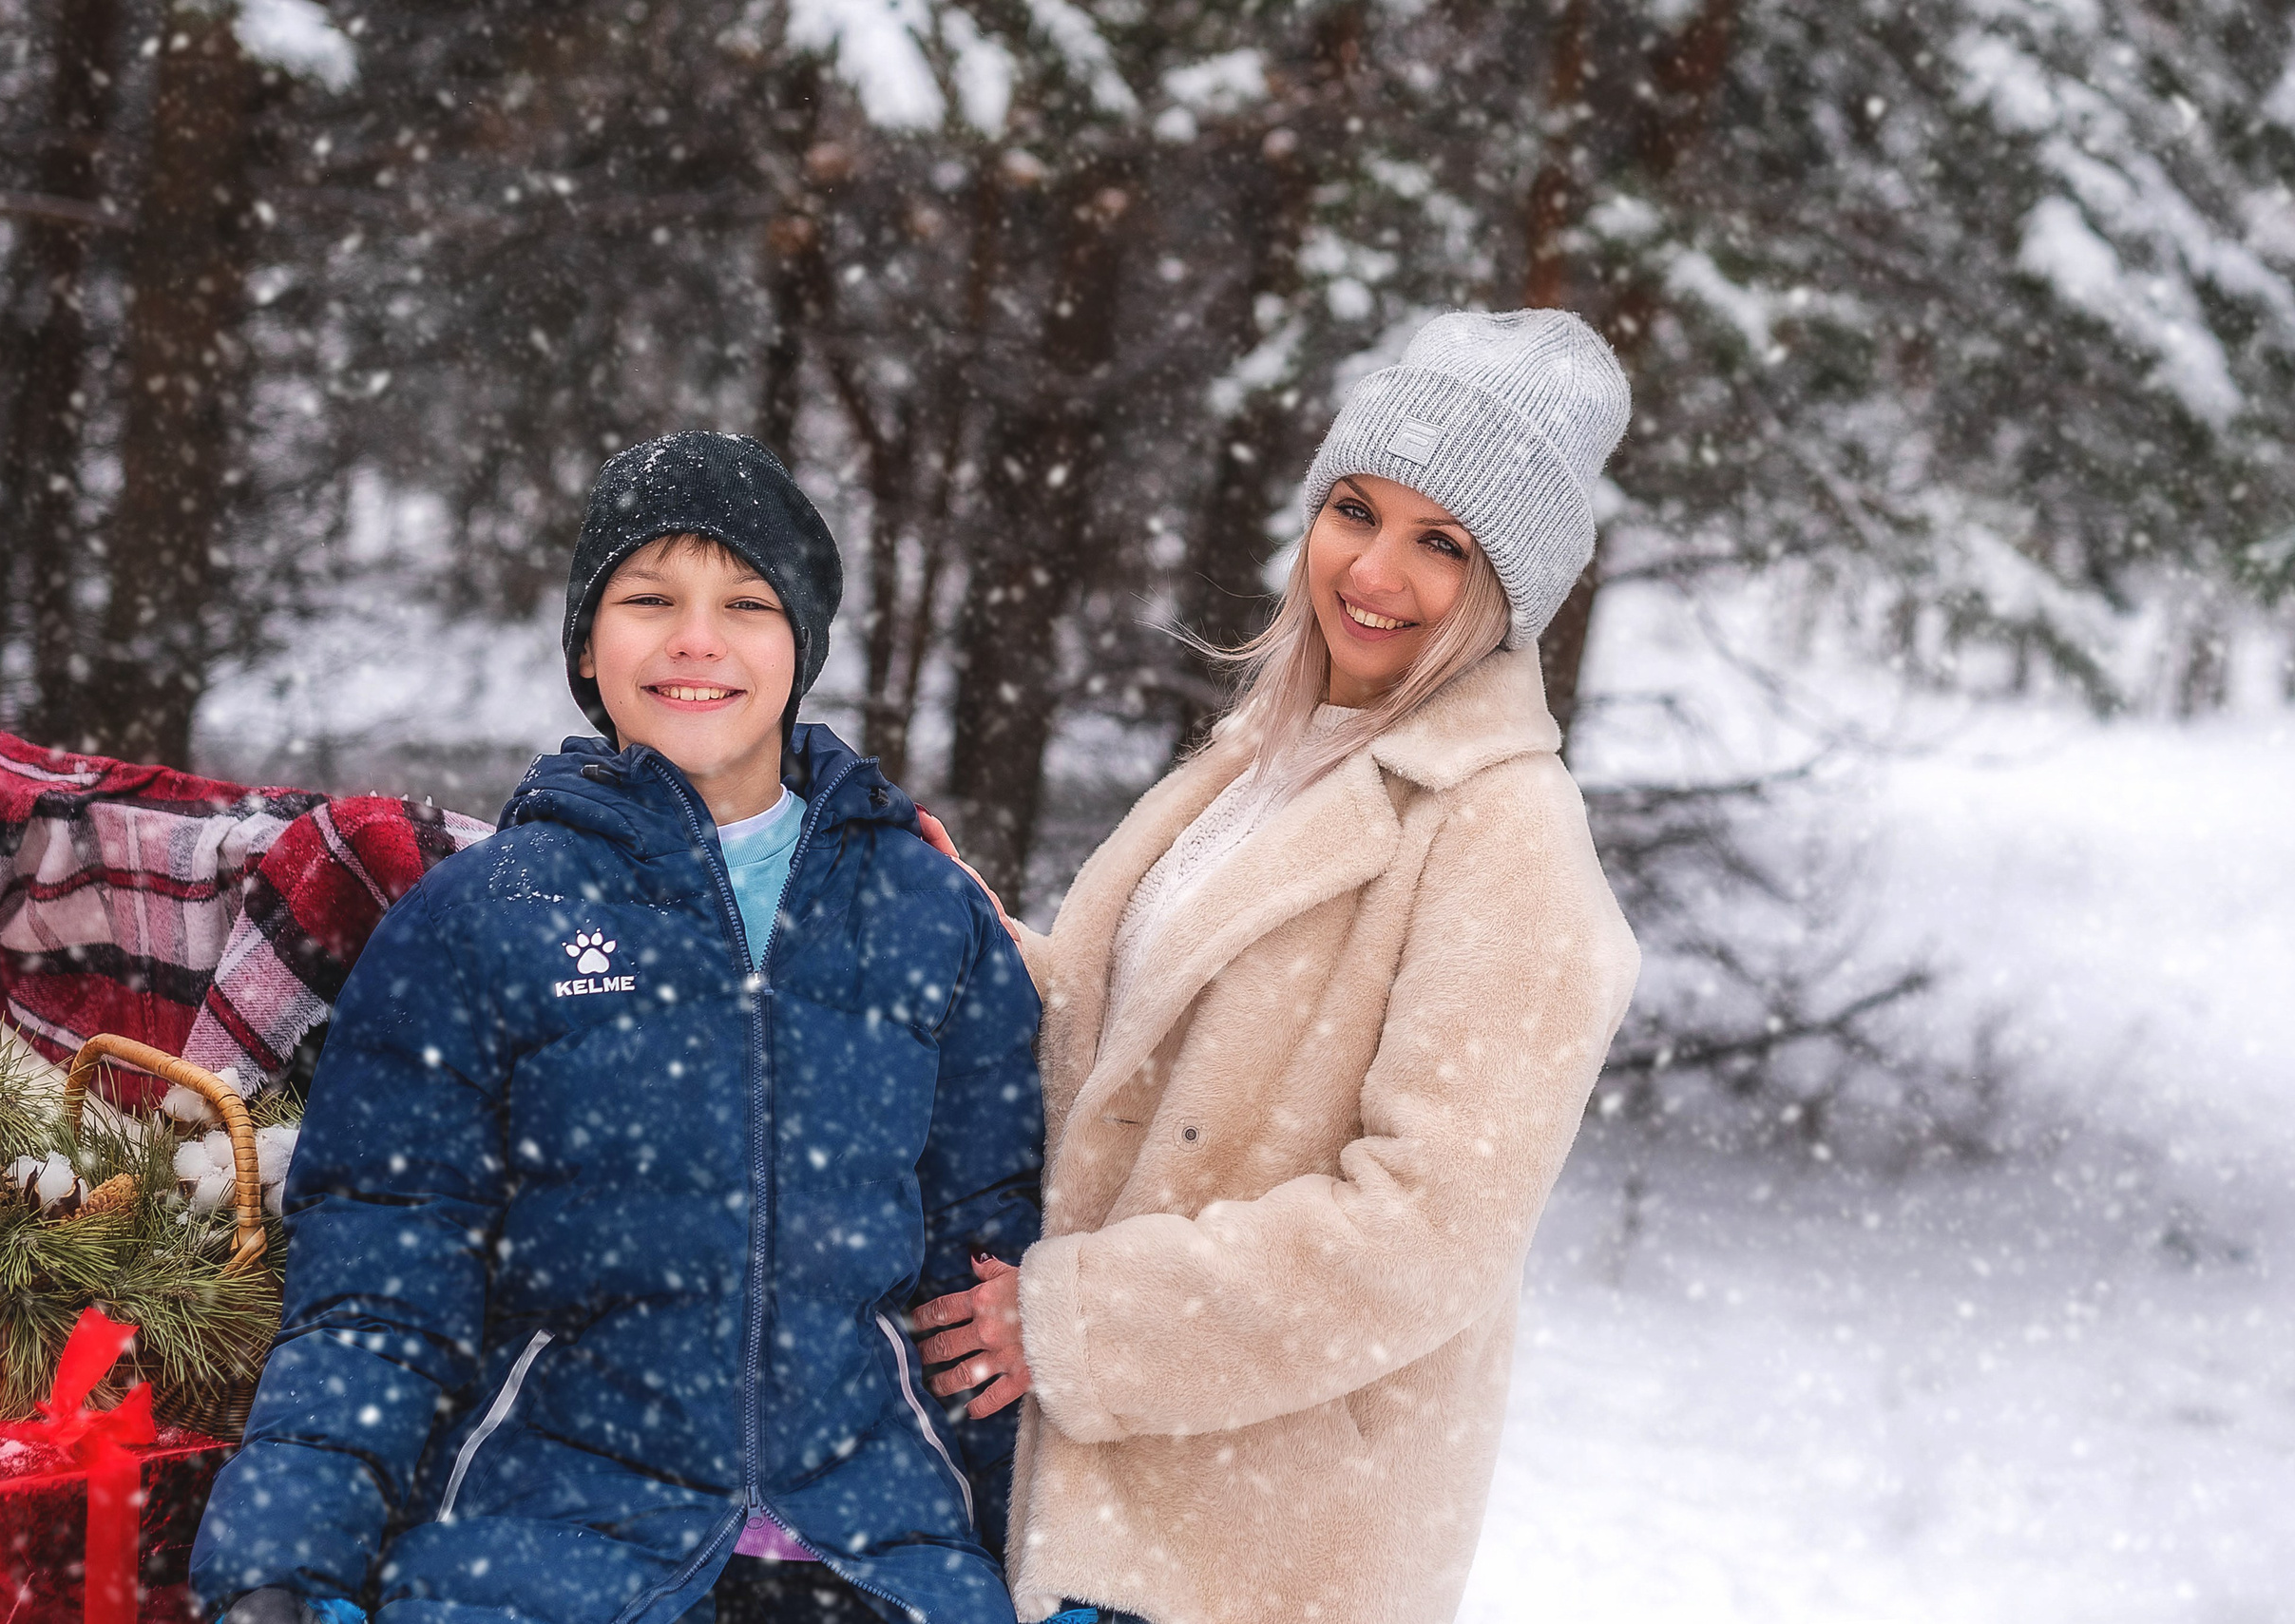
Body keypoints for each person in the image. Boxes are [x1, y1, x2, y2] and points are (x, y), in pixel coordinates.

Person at [191, 431, 1044, 1624]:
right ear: (590, 645)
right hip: (547, 1541)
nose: (697, 638)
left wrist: (1079, 1569)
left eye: (747, 602)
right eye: (649, 598)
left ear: (802, 646)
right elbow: (383, 1287)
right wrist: (282, 1564)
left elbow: (991, 1291)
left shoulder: (923, 911)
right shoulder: (483, 916)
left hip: (879, 1549)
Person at [910, 311, 1643, 1624]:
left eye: (1442, 543)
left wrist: (1083, 1323)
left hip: (1253, 1544)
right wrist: (955, 927)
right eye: (1354, 509)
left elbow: (1424, 1235)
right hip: (1119, 1507)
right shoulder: (1270, 760)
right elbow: (1123, 1049)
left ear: (1509, 589)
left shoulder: (1504, 832)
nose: (1373, 568)